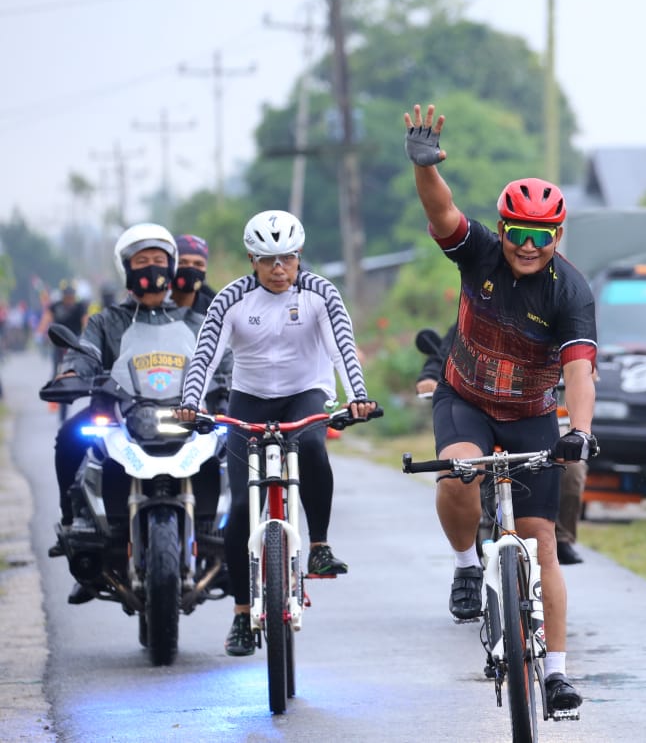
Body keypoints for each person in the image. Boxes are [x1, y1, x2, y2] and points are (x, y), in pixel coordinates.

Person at [404, 103, 597, 713]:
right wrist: (426, 168)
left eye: (542, 236)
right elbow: (442, 213)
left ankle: (557, 673)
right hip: (466, 398)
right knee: (459, 472)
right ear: (502, 228)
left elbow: (579, 370)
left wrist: (580, 431)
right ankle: (467, 565)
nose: (528, 246)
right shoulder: (480, 253)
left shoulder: (571, 291)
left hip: (532, 413)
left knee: (542, 543)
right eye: (518, 232)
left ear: (558, 237)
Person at [174, 210, 378, 657]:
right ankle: (241, 614)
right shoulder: (231, 299)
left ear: (299, 254)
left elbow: (342, 349)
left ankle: (319, 545)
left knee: (312, 445)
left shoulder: (321, 294)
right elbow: (205, 356)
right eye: (267, 259)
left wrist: (358, 397)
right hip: (249, 399)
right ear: (252, 259)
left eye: (287, 257)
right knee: (238, 508)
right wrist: (191, 402)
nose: (279, 268)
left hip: (306, 393)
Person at [45, 224, 229, 603]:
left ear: (171, 266)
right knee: (69, 438)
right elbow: (85, 353)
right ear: (126, 268)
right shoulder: (105, 321)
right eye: (142, 261)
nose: (151, 267)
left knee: (234, 446)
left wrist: (232, 384)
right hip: (120, 415)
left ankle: (237, 537)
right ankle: (74, 524)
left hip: (186, 417)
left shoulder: (196, 322)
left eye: (159, 260)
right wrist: (71, 373)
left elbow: (223, 360)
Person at [418, 321, 588, 566]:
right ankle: (467, 552)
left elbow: (580, 363)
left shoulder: (553, 320)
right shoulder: (473, 318)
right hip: (479, 419)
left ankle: (560, 538)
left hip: (536, 413)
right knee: (460, 470)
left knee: (572, 469)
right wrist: (429, 378)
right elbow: (443, 357)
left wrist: (582, 373)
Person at [36, 280, 89, 419]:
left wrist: (88, 336)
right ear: (63, 296)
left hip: (75, 344)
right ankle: (53, 398)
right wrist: (40, 333)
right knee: (55, 371)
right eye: (67, 296)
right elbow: (46, 319)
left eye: (71, 296)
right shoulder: (56, 306)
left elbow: (85, 322)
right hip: (59, 344)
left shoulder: (80, 307)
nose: (69, 299)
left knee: (79, 371)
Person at [172, 233, 218, 315]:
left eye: (198, 264)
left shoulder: (215, 311)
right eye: (182, 262)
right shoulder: (155, 305)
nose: (190, 268)